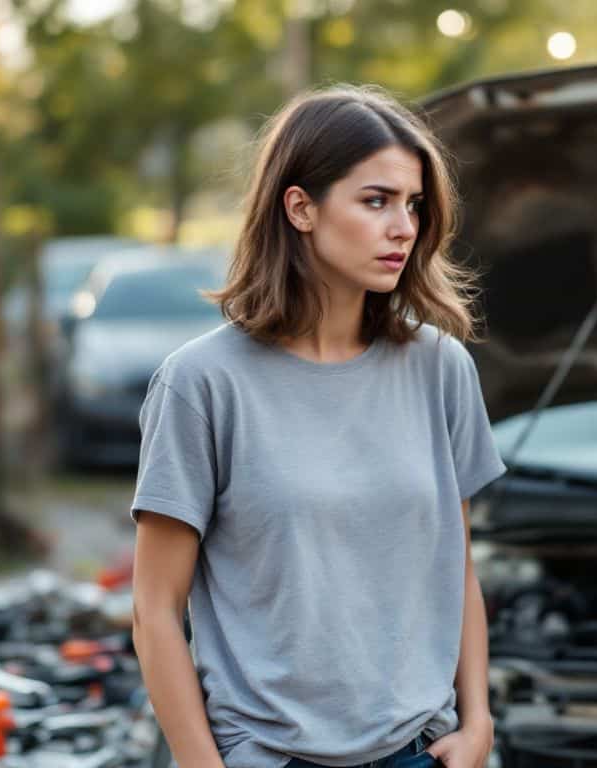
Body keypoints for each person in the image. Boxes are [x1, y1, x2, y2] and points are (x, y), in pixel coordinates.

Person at [130, 85, 506, 768]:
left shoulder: (440, 368)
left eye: (414, 205)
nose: (404, 227)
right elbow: (155, 609)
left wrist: (478, 719)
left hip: (419, 752)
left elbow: (457, 568)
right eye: (376, 201)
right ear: (300, 206)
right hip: (269, 755)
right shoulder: (201, 385)